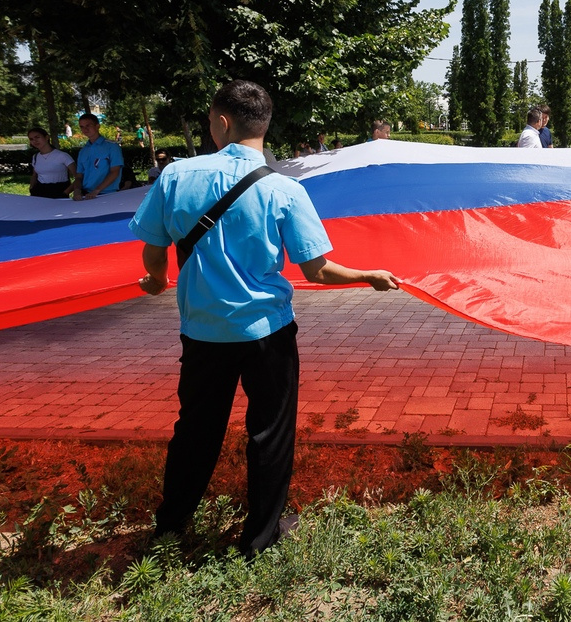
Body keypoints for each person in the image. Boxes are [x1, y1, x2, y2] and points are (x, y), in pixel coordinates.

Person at [130, 80, 398, 557]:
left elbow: (154, 253)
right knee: (270, 431)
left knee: (195, 429)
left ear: (223, 122)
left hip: (203, 332)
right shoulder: (284, 190)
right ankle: (260, 538)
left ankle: (169, 530)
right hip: (268, 333)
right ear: (263, 126)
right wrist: (367, 276)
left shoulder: (174, 177)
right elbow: (317, 268)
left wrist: (154, 282)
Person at [73, 113, 123, 200]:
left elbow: (115, 172)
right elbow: (79, 176)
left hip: (107, 194)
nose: (85, 129)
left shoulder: (112, 146)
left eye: (88, 125)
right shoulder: (83, 151)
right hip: (86, 195)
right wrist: (77, 191)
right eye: (82, 127)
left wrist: (96, 191)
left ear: (97, 126)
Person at [27, 127, 75, 198]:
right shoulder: (35, 157)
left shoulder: (63, 156)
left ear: (46, 137)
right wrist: (31, 189)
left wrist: (65, 193)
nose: (35, 141)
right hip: (39, 193)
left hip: (58, 192)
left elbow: (78, 177)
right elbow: (34, 175)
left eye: (37, 137)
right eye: (31, 139)